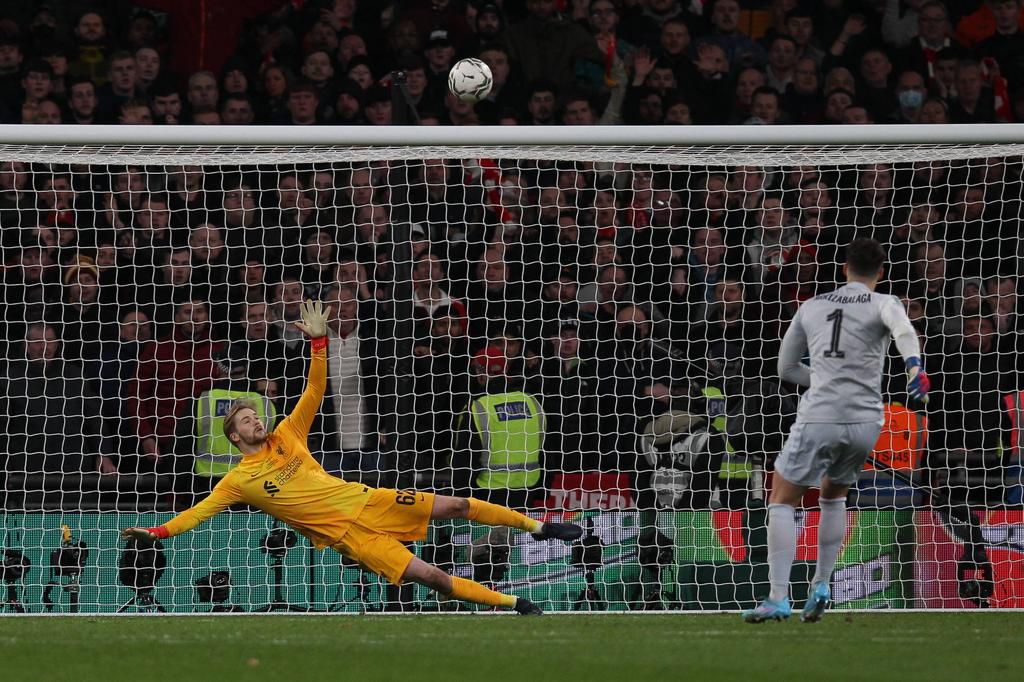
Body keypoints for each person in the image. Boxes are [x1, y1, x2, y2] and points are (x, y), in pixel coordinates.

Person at [122, 300, 580, 615]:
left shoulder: (288, 435)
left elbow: (315, 389)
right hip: (352, 539)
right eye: (244, 420)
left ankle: (542, 528)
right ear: (234, 436)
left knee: (456, 505)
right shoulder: (238, 481)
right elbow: (196, 515)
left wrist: (319, 343)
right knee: (434, 577)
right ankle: (514, 604)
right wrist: (157, 531)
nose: (255, 420)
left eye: (255, 414)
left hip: (369, 499)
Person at [744, 238, 930, 624]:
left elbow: (785, 370)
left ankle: (779, 596)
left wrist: (825, 378)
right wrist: (914, 368)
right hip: (865, 421)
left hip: (821, 415)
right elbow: (904, 331)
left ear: (844, 268)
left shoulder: (812, 306)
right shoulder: (885, 302)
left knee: (782, 496)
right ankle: (822, 585)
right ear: (879, 273)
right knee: (834, 495)